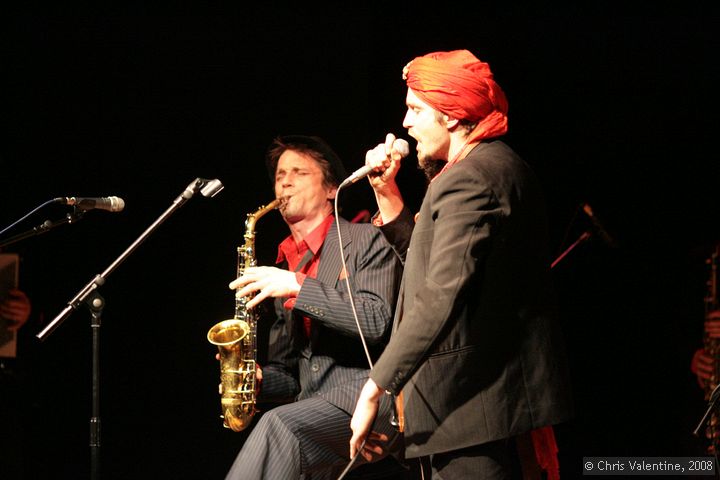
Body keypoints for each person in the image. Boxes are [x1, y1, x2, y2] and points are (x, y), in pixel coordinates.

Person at [349, 50, 574, 479]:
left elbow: (440, 292)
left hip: (474, 407)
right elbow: (434, 263)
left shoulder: (469, 177)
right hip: (476, 407)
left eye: (416, 109)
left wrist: (375, 386)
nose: (406, 123)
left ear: (451, 116)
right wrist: (388, 196)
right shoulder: (488, 166)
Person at [224, 135, 404, 479]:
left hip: (372, 394)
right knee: (281, 432)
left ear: (332, 189)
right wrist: (257, 380)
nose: (285, 181)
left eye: (298, 172)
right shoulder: (285, 265)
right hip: (316, 408)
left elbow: (376, 319)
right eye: (279, 175)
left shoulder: (365, 238)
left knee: (278, 426)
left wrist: (297, 285)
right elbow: (293, 375)